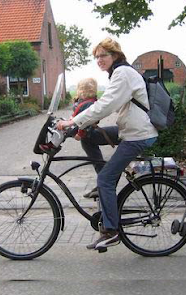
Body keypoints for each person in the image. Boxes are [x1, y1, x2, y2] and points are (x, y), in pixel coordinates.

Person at [57, 37, 158, 250]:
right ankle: (103, 182)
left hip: (137, 136)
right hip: (128, 131)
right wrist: (81, 127)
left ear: (115, 55)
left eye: (103, 55)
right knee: (90, 137)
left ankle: (111, 231)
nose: (99, 60)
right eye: (96, 57)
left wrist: (73, 121)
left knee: (106, 178)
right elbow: (108, 105)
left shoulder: (122, 73)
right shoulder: (119, 73)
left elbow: (106, 104)